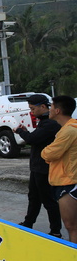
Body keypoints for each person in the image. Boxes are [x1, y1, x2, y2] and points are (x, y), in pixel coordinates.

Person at [13, 94, 62, 237]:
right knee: (33, 197)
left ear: (43, 107)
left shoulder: (50, 124)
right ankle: (28, 222)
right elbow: (36, 138)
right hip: (36, 167)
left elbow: (32, 139)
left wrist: (20, 131)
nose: (31, 112)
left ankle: (55, 231)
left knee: (48, 200)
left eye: (33, 109)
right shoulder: (44, 122)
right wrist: (26, 132)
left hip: (44, 168)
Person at [41, 95, 77, 243]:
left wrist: (45, 151)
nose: (49, 109)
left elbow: (49, 154)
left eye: (51, 106)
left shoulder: (69, 131)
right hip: (65, 181)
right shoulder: (67, 129)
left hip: (68, 183)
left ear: (57, 110)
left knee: (71, 226)